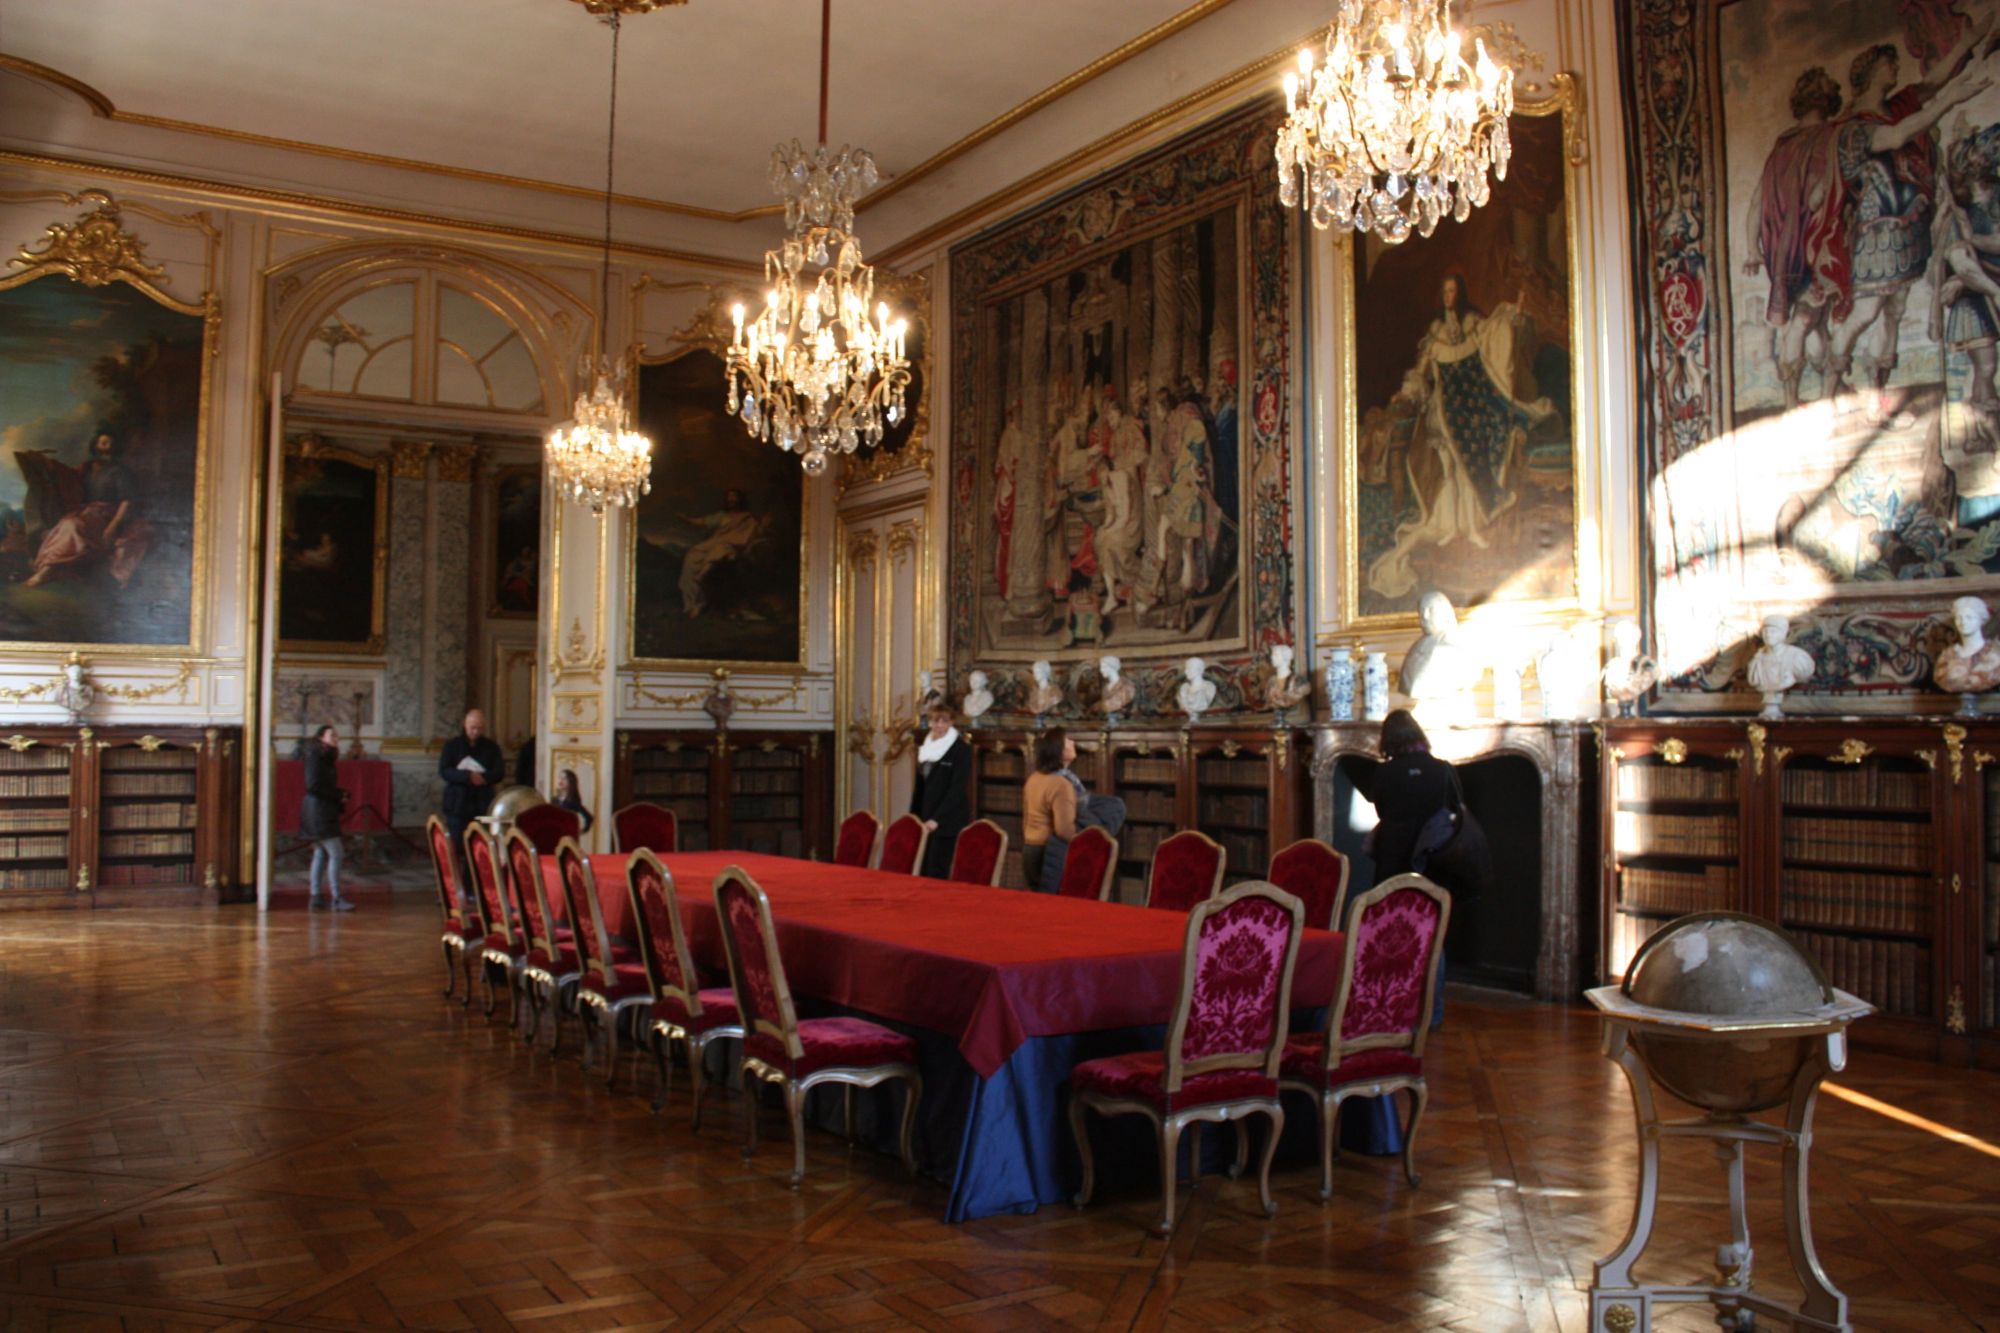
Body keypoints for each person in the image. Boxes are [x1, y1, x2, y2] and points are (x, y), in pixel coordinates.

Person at [1350, 710, 1466, 1024]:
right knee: (1433, 935)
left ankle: (1390, 1005)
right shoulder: (1442, 769)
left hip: (1392, 861)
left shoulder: (1384, 774)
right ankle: (1433, 1012)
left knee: (1389, 933)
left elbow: (1382, 808)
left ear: (1387, 739)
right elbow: (1456, 808)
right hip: (1433, 861)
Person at [23, 429, 153, 589]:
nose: (106, 445)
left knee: (73, 525)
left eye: (110, 442)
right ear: (95, 445)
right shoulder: (87, 468)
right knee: (67, 524)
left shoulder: (121, 471)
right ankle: (47, 569)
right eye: (102, 442)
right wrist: (44, 463)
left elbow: (127, 501)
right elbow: (67, 479)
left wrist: (112, 526)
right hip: (86, 512)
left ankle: (46, 572)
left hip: (107, 515)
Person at [439, 708, 504, 908]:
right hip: (457, 805)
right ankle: (451, 890)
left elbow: (499, 772)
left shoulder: (491, 747)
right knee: (455, 848)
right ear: (465, 725)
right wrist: (467, 776)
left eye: (479, 728)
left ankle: (471, 889)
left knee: (477, 847)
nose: (475, 731)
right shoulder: (452, 746)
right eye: (472, 727)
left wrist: (482, 777)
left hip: (481, 804)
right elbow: (444, 771)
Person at [910, 704, 972, 878]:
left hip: (947, 820)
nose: (939, 725)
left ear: (951, 723)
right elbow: (921, 786)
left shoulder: (961, 749)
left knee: (937, 871)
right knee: (922, 869)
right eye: (935, 721)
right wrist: (915, 817)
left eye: (944, 721)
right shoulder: (925, 748)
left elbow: (956, 788)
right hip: (925, 817)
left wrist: (937, 819)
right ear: (929, 723)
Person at [300, 724, 354, 912]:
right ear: (321, 738)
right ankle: (336, 897)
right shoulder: (316, 756)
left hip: (319, 809)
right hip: (319, 812)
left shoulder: (323, 756)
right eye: (332, 736)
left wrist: (339, 793)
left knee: (320, 853)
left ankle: (315, 896)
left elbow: (321, 784)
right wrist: (338, 795)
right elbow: (313, 785)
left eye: (337, 736)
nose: (336, 739)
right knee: (336, 853)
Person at [1021, 727, 1079, 894]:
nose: (1073, 742)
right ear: (1059, 750)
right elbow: (1064, 831)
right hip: (1049, 852)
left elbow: (1025, 820)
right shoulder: (1061, 784)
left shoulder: (1034, 778)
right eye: (1067, 740)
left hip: (1030, 848)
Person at [553, 767, 594, 836]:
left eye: (564, 778)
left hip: (567, 835)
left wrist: (583, 830)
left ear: (570, 781)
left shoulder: (573, 800)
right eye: (559, 777)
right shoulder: (554, 799)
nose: (561, 780)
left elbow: (589, 817)